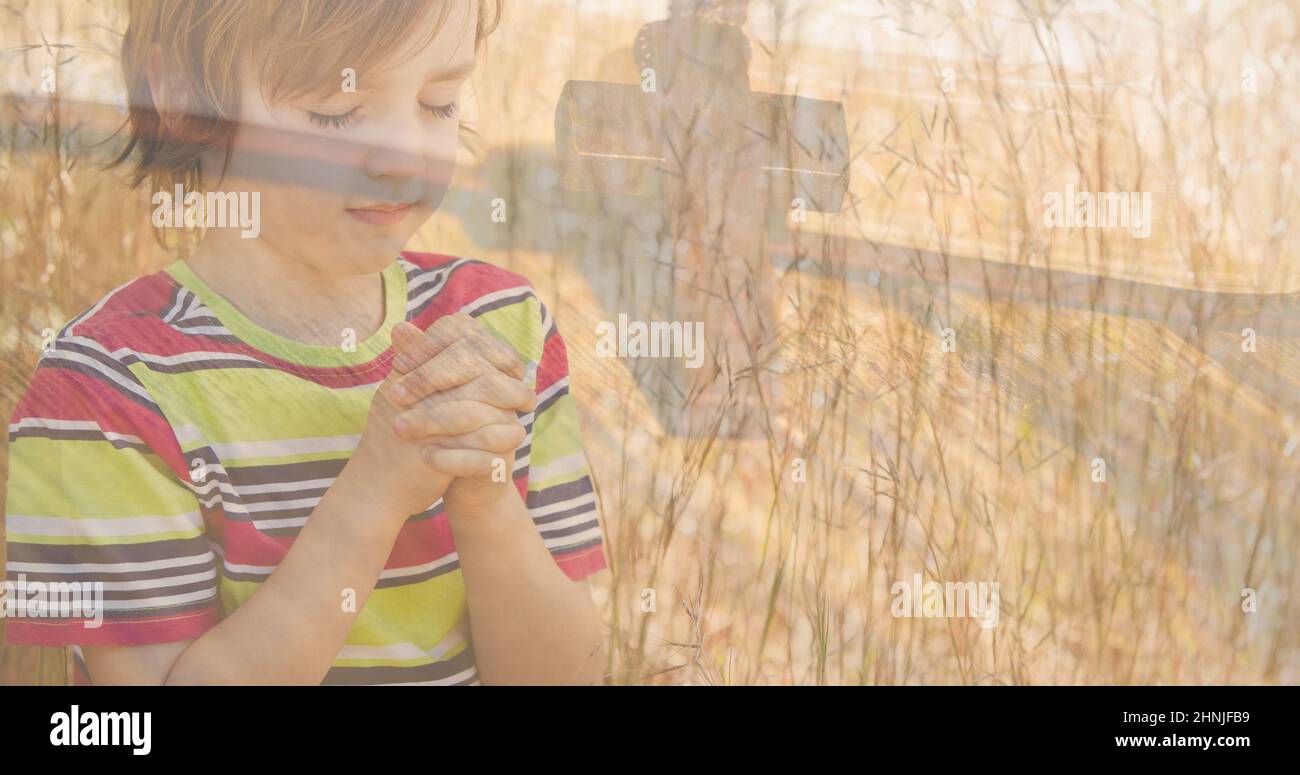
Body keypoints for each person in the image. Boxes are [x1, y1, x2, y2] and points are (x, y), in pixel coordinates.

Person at [2, 0, 607, 685]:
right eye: (335, 112)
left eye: (437, 102)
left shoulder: (505, 325)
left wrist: (487, 503)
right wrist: (374, 494)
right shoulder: (104, 390)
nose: (403, 155)